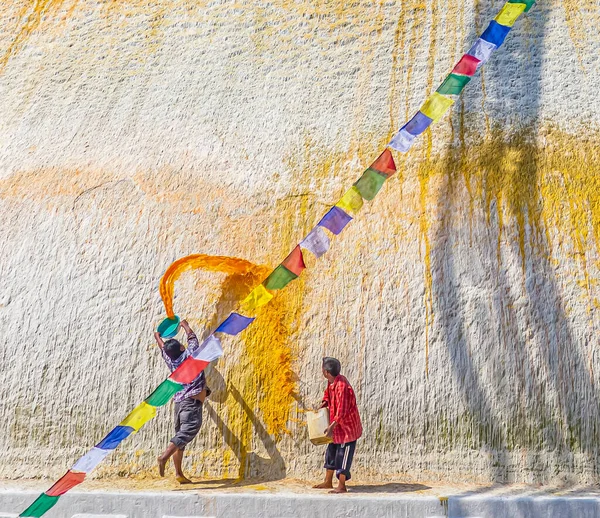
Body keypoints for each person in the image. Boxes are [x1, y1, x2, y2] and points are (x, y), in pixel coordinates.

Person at [153, 319, 211, 484]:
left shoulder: (171, 361)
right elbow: (193, 339)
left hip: (179, 403)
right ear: (182, 347)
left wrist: (157, 335)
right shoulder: (191, 356)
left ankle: (178, 473)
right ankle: (163, 457)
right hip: (191, 404)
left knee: (180, 438)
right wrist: (185, 326)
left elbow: (162, 348)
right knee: (189, 431)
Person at [313, 357, 363, 493]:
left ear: (326, 372)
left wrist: (331, 427)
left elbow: (342, 410)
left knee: (343, 456)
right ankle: (328, 481)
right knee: (331, 453)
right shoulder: (332, 382)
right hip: (337, 428)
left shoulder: (342, 387)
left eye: (323, 368)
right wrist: (324, 403)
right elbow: (328, 396)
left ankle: (341, 486)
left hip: (347, 429)